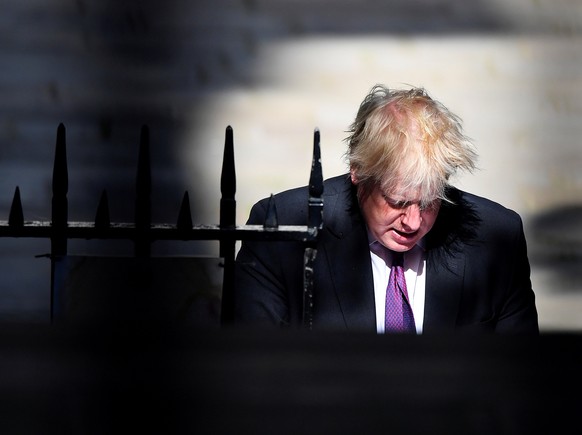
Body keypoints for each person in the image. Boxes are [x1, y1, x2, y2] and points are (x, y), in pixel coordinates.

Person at [234, 85, 538, 334]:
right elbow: (255, 365)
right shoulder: (284, 229)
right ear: (358, 172)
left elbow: (520, 375)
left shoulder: (497, 235)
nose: (414, 222)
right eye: (399, 201)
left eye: (431, 201)